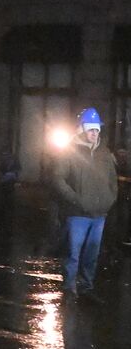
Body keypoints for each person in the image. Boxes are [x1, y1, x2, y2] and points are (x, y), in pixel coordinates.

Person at [52, 108, 118, 303]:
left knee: (92, 253)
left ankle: (86, 286)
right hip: (77, 213)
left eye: (96, 130)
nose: (94, 133)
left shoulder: (104, 153)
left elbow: (112, 180)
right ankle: (69, 288)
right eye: (90, 130)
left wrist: (109, 198)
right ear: (81, 129)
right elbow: (57, 178)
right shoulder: (70, 152)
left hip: (99, 214)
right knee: (73, 252)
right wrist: (75, 199)